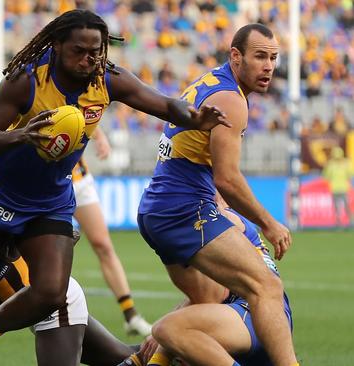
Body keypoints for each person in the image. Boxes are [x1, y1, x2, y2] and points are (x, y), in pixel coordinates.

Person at [0, 9, 227, 356]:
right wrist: (23, 136)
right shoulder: (27, 80)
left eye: (96, 51)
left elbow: (162, 104)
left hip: (50, 200)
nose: (89, 59)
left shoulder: (107, 78)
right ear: (56, 45)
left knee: (52, 292)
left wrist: (194, 118)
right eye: (79, 51)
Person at [137, 24, 299, 366]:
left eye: (273, 58)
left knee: (206, 297)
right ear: (236, 56)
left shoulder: (212, 82)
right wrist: (269, 223)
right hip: (184, 209)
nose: (269, 66)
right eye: (260, 57)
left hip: (158, 208)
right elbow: (227, 178)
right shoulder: (231, 100)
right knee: (267, 286)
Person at [0, 186, 139, 366]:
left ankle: (167, 344)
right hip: (25, 315)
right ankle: (165, 349)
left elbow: (68, 233)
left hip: (53, 306)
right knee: (123, 358)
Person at [142, 195, 293, 366]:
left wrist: (161, 343)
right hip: (259, 315)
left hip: (254, 314)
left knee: (168, 329)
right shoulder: (222, 219)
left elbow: (216, 294)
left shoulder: (220, 220)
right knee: (171, 334)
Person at [72, 140, 151, 336]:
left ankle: (130, 315)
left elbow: (91, 109)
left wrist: (99, 136)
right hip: (49, 182)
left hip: (79, 179)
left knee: (103, 245)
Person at [322, 147, 353, 228]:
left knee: (341, 206)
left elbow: (326, 176)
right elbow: (350, 174)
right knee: (342, 206)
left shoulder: (331, 164)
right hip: (340, 188)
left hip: (338, 188)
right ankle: (343, 222)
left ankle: (342, 222)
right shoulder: (345, 163)